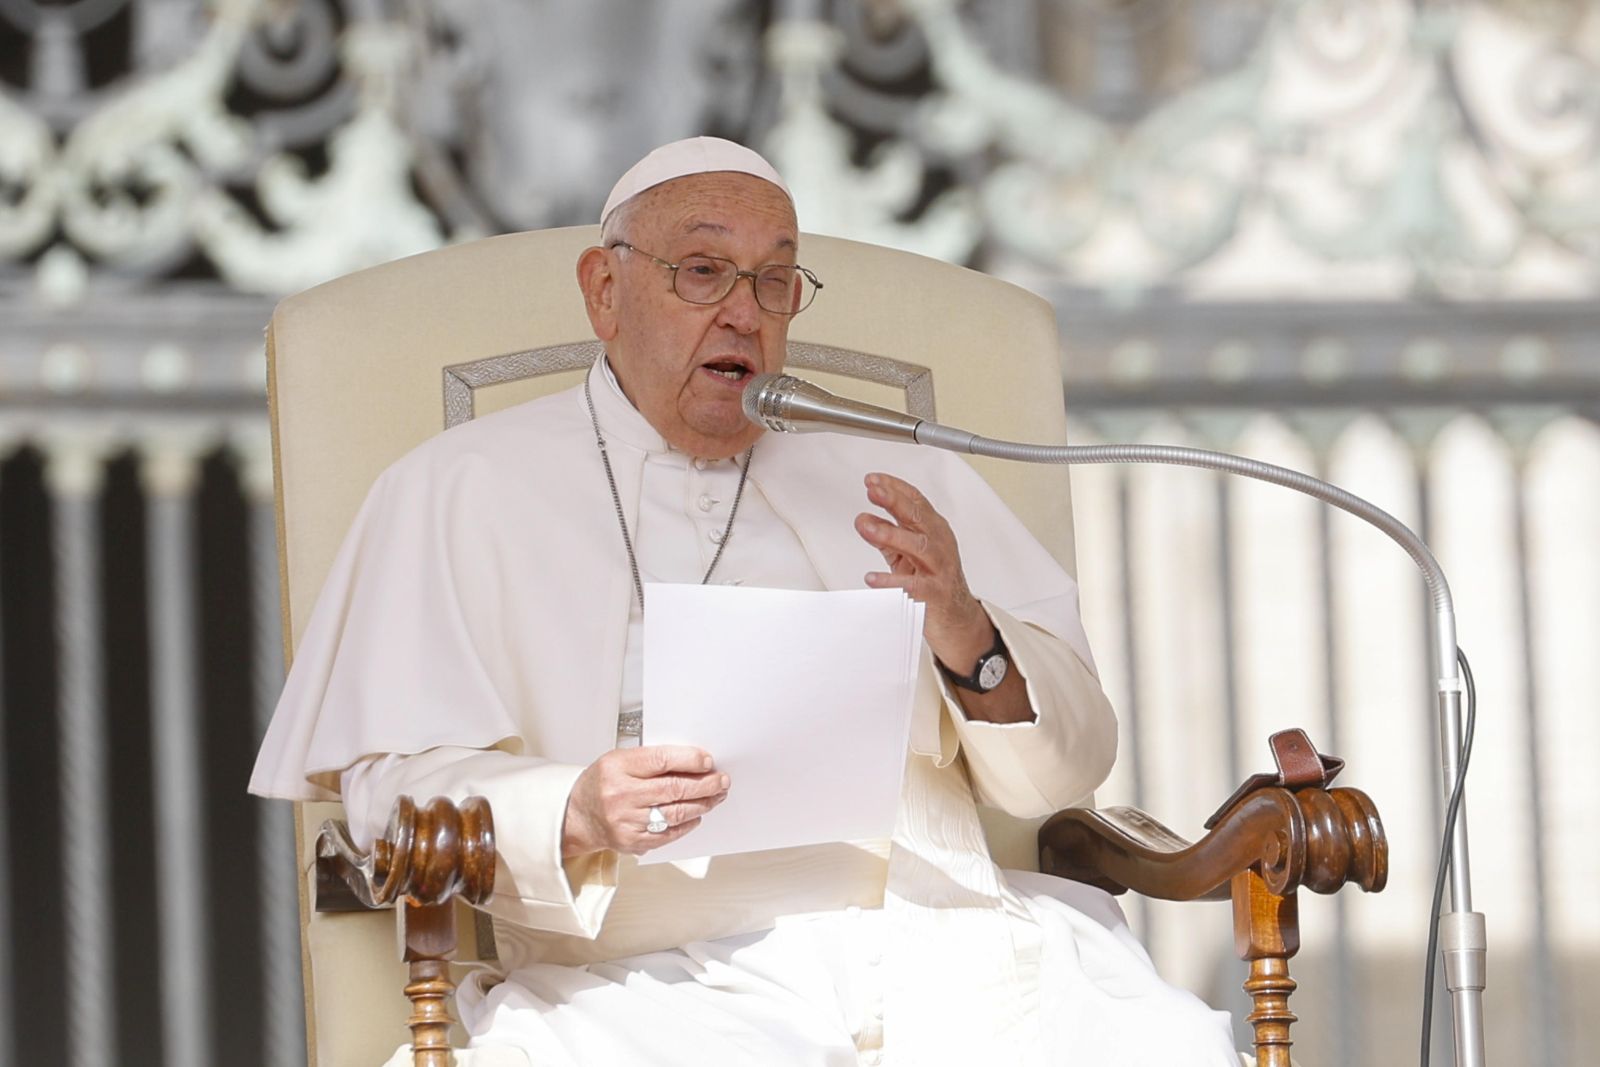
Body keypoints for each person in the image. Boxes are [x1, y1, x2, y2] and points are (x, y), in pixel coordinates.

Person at [251, 137, 1240, 1066]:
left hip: (951, 950)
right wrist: (573, 807)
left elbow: (1061, 774)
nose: (745, 312)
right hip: (637, 987)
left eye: (775, 278)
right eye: (701, 270)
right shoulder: (457, 488)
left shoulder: (894, 475)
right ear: (605, 290)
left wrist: (964, 629)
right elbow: (389, 799)